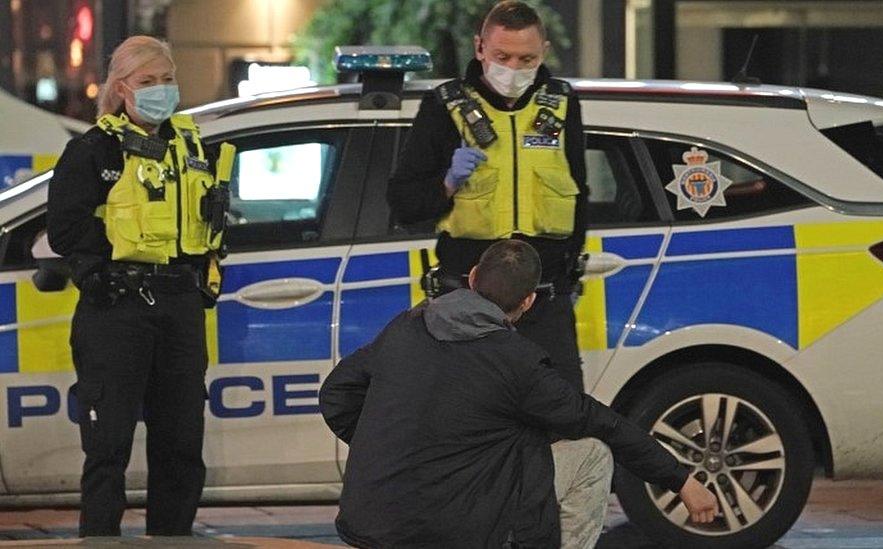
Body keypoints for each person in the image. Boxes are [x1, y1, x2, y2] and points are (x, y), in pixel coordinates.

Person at [320, 240, 717, 548]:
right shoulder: (519, 364)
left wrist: (398, 448)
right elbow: (603, 423)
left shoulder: (407, 325)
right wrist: (681, 480)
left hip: (369, 526)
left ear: (472, 277)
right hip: (453, 534)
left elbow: (336, 395)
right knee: (591, 455)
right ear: (528, 301)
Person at [387, 2, 613, 544]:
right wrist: (445, 183)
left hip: (544, 302)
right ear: (480, 49)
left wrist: (564, 276)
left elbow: (578, 195)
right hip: (469, 308)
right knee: (467, 436)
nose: (514, 66)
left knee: (563, 432)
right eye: (504, 55)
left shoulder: (561, 104)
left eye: (527, 57)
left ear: (545, 53)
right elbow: (404, 203)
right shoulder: (445, 107)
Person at [47, 36, 235, 537]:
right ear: (121, 88)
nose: (159, 91)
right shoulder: (93, 150)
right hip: (118, 309)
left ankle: (173, 540)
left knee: (180, 444)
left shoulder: (194, 147)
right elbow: (65, 230)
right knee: (108, 446)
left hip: (179, 306)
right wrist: (105, 265)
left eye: (166, 80)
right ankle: (101, 541)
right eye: (147, 82)